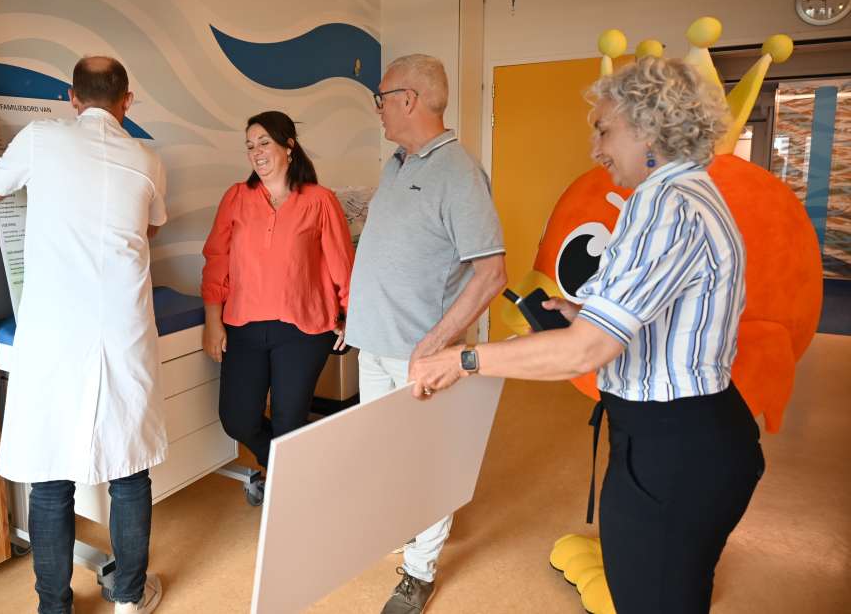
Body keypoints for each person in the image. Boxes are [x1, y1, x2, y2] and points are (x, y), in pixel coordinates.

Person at [410, 57, 764, 613]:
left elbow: (587, 351)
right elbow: (649, 311)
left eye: (604, 130)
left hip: (675, 448)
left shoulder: (666, 206)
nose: (595, 149)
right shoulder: (689, 194)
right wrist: (584, 310)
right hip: (686, 436)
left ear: (649, 126)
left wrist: (463, 360)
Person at [0, 57, 166, 614]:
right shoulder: (148, 159)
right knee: (129, 469)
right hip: (123, 330)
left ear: (73, 99)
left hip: (55, 335)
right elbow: (150, 226)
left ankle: (53, 607)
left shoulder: (41, 139)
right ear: (127, 101)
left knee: (50, 475)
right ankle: (129, 597)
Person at [344, 54, 507, 614]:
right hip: (374, 344)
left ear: (408, 99)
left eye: (381, 98)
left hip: (418, 354)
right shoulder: (396, 164)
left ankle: (419, 570)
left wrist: (438, 341)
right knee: (388, 452)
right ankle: (407, 526)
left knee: (427, 461)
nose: (378, 109)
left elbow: (491, 274)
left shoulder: (458, 173)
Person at [201, 110, 353, 505]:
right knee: (238, 418)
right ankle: (295, 472)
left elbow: (341, 263)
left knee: (289, 420)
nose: (256, 152)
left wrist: (348, 315)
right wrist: (213, 320)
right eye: (250, 145)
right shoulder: (236, 198)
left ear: (289, 147)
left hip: (303, 328)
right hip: (244, 325)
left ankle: (289, 495)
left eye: (264, 142)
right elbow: (217, 259)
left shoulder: (319, 201)